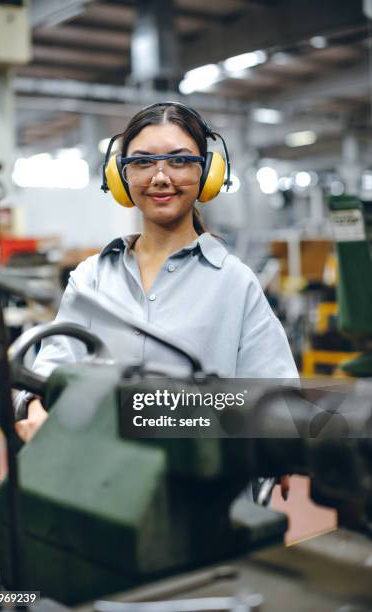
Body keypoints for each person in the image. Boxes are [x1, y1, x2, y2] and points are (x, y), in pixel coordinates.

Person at [15, 102, 298, 496]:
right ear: (120, 176)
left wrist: (281, 441)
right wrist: (34, 407)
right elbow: (49, 372)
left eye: (179, 162)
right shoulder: (92, 278)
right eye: (143, 163)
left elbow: (276, 396)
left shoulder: (235, 283)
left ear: (207, 173)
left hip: (203, 497)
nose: (161, 177)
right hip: (96, 488)